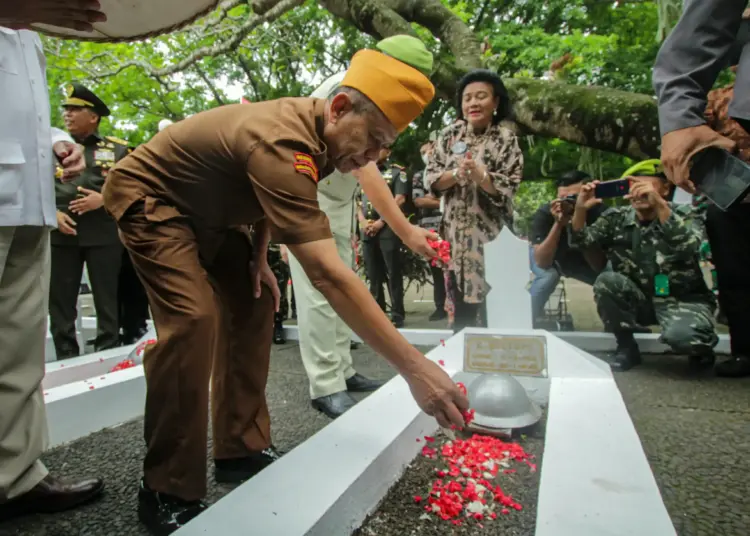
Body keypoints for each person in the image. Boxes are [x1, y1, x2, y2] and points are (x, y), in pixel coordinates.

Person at [102, 43, 468, 534]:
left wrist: (257, 259)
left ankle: (240, 447)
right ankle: (165, 487)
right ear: (339, 107)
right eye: (373, 140)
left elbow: (263, 198)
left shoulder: (320, 137)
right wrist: (416, 369)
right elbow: (328, 273)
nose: (373, 157)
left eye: (385, 148)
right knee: (193, 320)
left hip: (216, 216)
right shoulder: (281, 140)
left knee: (257, 303)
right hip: (156, 202)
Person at [286, 38, 437, 419]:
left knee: (347, 281)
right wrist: (407, 232)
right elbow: (364, 167)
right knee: (322, 289)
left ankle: (343, 368)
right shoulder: (353, 91)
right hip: (310, 193)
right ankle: (326, 384)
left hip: (338, 200)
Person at [0, 20, 105, 520]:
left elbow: (24, 110)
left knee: (19, 349)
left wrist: (58, 140)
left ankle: (15, 476)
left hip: (28, 204)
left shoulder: (30, 34)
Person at [654, 2, 750, 377]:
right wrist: (679, 119)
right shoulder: (719, 96)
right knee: (736, 276)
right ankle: (745, 350)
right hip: (733, 196)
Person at [570, 172, 718, 372]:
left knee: (686, 340)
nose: (639, 194)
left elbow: (689, 247)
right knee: (607, 281)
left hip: (683, 298)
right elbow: (582, 242)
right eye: (633, 188)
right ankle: (626, 346)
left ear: (665, 189)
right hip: (640, 298)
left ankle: (700, 348)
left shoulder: (686, 213)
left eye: (645, 188)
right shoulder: (617, 217)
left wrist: (659, 205)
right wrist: (580, 209)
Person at [425, 69, 524, 332]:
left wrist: (482, 177)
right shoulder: (448, 136)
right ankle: (462, 365)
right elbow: (432, 179)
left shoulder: (506, 140)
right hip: (456, 240)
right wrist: (457, 174)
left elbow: (510, 186)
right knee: (460, 313)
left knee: (496, 311)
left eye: (481, 96)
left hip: (492, 240)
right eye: (467, 98)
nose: (473, 103)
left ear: (496, 103)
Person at [49, 83, 131, 357]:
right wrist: (52, 213)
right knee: (60, 302)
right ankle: (65, 354)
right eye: (66, 110)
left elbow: (133, 190)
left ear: (93, 117)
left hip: (103, 236)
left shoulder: (118, 150)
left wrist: (104, 200)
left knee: (107, 300)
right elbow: (35, 186)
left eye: (75, 109)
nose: (67, 114)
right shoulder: (51, 149)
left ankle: (108, 352)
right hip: (62, 235)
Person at [528, 170, 606, 324]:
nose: (567, 203)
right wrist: (558, 224)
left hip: (583, 262)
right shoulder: (546, 213)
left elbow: (601, 264)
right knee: (547, 276)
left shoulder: (600, 213)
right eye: (562, 198)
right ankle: (525, 321)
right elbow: (542, 261)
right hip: (552, 259)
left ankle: (618, 328)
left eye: (573, 198)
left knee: (608, 279)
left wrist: (580, 215)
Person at [359, 148, 410, 327]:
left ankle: (397, 315)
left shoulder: (396, 172)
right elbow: (356, 200)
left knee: (393, 272)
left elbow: (399, 199)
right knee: (373, 274)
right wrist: (363, 222)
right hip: (367, 229)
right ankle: (378, 316)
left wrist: (381, 221)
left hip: (387, 229)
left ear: (387, 151)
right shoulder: (361, 170)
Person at [412, 141, 447, 322]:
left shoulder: (446, 170)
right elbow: (418, 201)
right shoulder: (419, 176)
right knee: (436, 268)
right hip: (429, 228)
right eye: (422, 152)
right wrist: (443, 201)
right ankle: (440, 306)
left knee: (453, 267)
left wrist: (434, 199)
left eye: (429, 150)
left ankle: (454, 305)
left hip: (448, 225)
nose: (426, 154)